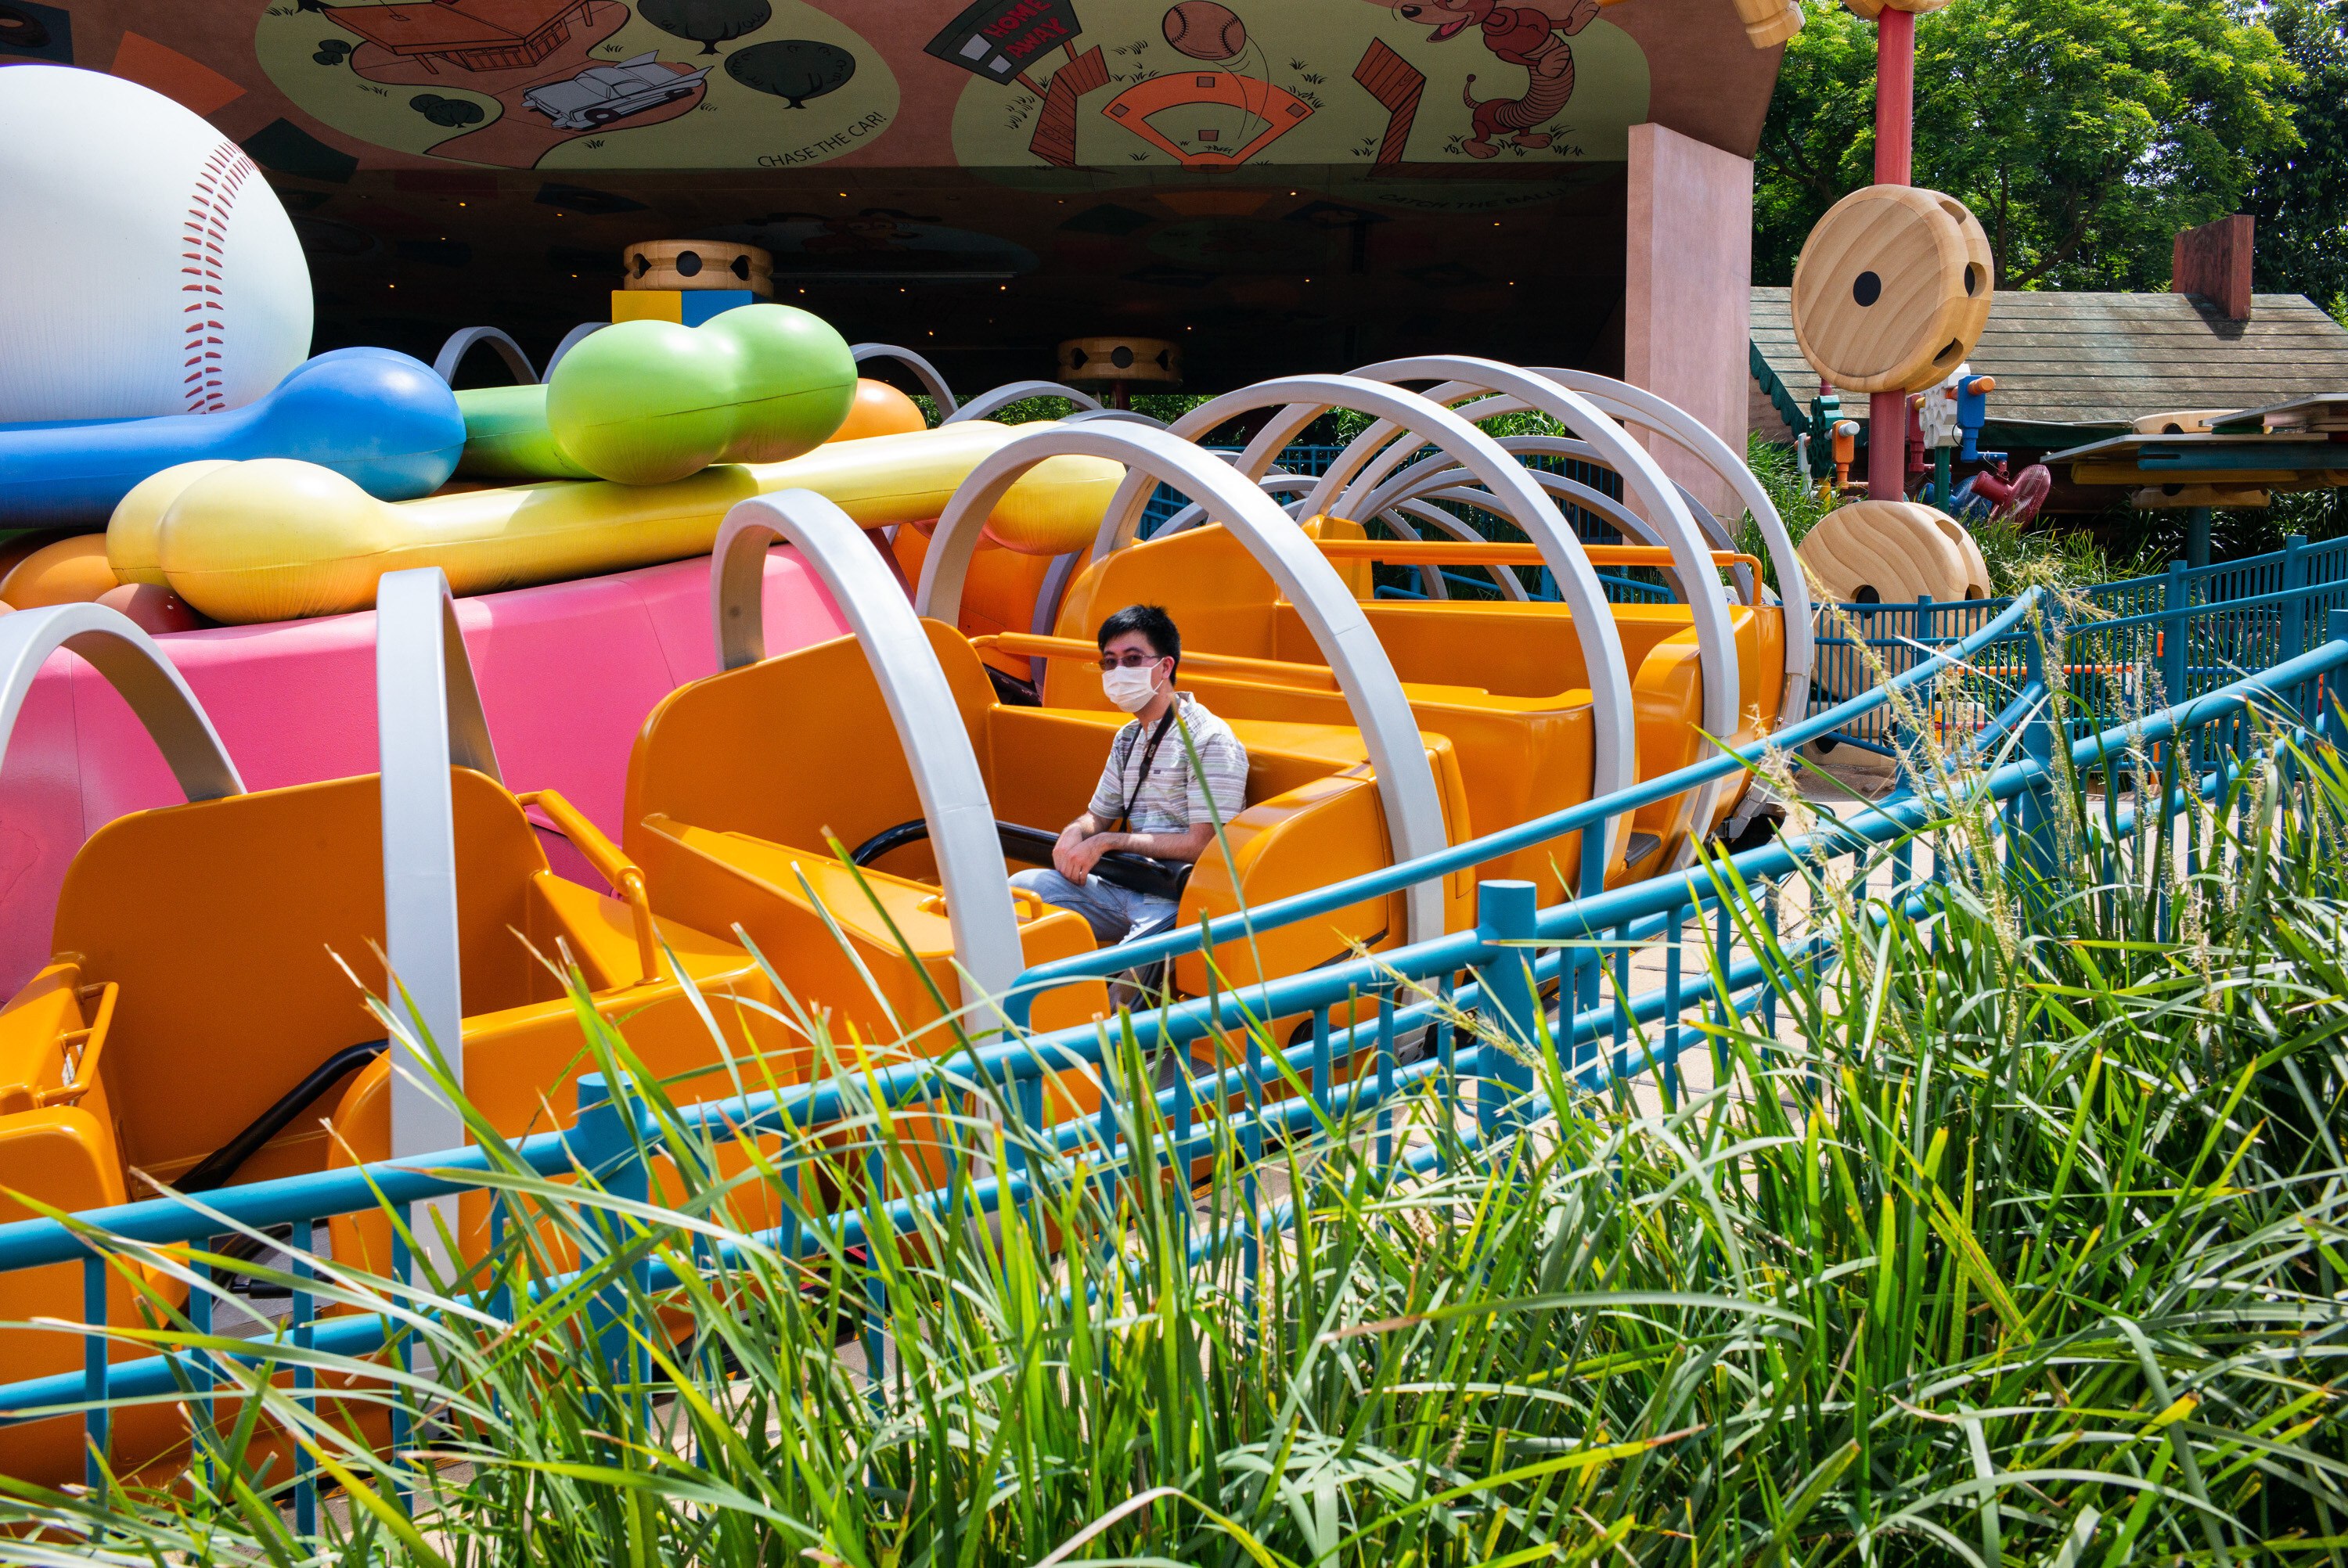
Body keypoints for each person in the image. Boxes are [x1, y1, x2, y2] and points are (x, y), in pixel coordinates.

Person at [1011, 604, 1248, 949]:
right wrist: (1075, 832)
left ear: (1166, 665)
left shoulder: (1210, 739)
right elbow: (1099, 815)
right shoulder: (1128, 737)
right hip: (1124, 884)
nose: (1119, 670)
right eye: (1110, 661)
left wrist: (1108, 842)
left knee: (1125, 975)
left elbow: (1205, 845)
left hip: (1176, 896)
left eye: (1133, 659)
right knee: (1021, 891)